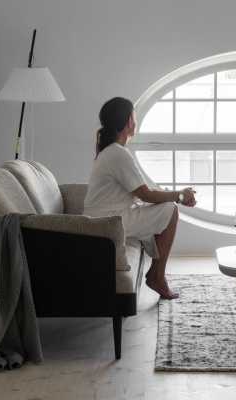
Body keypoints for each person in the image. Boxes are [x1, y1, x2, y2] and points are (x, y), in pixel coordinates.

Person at [83, 97, 196, 300]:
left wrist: (176, 195)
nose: (136, 120)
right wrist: (179, 196)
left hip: (106, 219)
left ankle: (157, 274)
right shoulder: (118, 154)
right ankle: (157, 276)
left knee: (167, 206)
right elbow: (146, 194)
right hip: (108, 223)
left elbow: (142, 191)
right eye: (134, 116)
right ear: (129, 122)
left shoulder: (112, 152)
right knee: (171, 210)